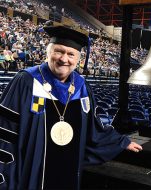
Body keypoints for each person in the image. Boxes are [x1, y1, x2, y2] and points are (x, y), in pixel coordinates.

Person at [0, 24, 142, 189]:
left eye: (71, 54)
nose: (64, 59)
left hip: (69, 172)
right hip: (31, 174)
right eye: (59, 51)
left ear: (78, 59)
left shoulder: (82, 87)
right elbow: (5, 131)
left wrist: (120, 142)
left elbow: (93, 129)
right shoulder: (26, 82)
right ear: (49, 52)